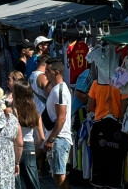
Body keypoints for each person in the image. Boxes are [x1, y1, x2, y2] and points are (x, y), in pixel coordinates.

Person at [41, 58, 73, 189]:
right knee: (57, 174)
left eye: (48, 71)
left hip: (59, 138)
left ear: (56, 72)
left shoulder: (60, 90)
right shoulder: (56, 89)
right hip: (55, 138)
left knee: (59, 175)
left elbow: (61, 118)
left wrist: (51, 139)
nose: (46, 74)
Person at [11, 80, 44, 189]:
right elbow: (41, 138)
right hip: (30, 147)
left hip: (14, 147)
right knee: (33, 184)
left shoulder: (13, 110)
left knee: (16, 182)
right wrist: (34, 150)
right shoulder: (35, 112)